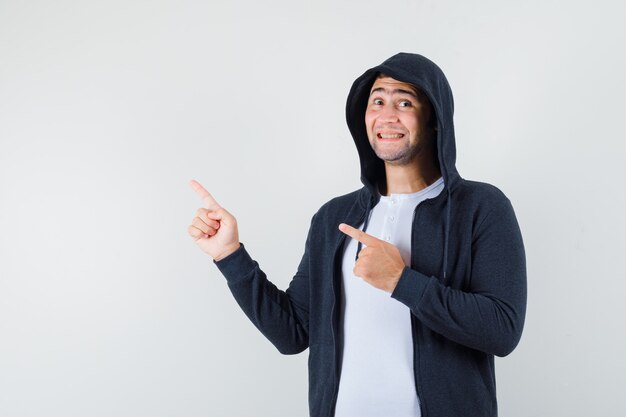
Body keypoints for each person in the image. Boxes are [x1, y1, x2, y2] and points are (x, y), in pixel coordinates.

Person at [187, 52, 527, 417]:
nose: (387, 115)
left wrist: (401, 281)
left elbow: (501, 330)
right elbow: (292, 334)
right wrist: (230, 256)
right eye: (377, 101)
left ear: (434, 120)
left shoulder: (480, 207)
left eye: (405, 102)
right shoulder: (335, 217)